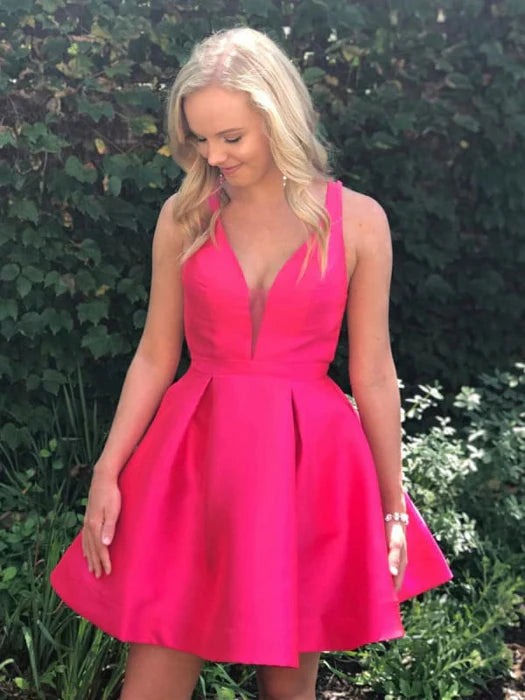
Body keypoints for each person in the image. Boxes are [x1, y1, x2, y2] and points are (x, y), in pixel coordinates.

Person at [50, 26, 453, 700]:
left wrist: (392, 507)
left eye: (230, 137)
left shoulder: (358, 222)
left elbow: (374, 374)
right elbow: (155, 354)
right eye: (199, 139)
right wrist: (107, 471)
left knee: (289, 691)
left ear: (277, 117)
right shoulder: (184, 217)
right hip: (191, 462)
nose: (213, 155)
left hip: (306, 466)